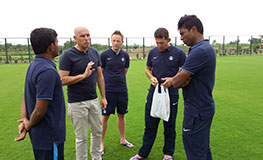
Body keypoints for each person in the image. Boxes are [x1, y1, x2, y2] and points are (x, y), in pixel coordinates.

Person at [162, 15, 216, 160]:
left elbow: (179, 82)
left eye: (182, 33)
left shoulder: (200, 51)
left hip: (196, 111)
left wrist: (177, 79)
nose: (180, 38)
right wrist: (179, 77)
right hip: (202, 107)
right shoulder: (202, 48)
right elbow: (180, 77)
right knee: (202, 150)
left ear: (193, 29)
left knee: (195, 152)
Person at [130, 28, 186, 160]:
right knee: (150, 124)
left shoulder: (179, 53)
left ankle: (168, 153)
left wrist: (173, 80)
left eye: (162, 42)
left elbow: (186, 71)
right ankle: (142, 153)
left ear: (169, 40)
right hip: (154, 93)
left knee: (169, 125)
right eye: (157, 43)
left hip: (171, 94)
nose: (159, 45)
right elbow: (147, 69)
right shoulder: (153, 52)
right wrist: (151, 77)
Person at [14, 28, 66, 160]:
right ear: (51, 46)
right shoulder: (47, 71)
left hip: (40, 137)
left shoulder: (33, 65)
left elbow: (26, 95)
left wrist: (25, 120)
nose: (58, 45)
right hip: (49, 138)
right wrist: (28, 124)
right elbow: (39, 111)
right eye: (57, 42)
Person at [59, 26, 107, 160]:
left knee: (97, 131)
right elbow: (62, 80)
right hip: (77, 102)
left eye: (88, 35)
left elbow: (99, 76)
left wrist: (103, 97)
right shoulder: (67, 55)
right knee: (81, 137)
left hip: (93, 100)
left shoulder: (94, 52)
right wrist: (83, 76)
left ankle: (97, 157)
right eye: (82, 36)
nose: (86, 38)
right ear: (75, 38)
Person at [99, 30, 133, 156]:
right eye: (113, 40)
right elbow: (100, 73)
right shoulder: (104, 55)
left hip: (122, 91)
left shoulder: (125, 55)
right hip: (108, 92)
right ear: (111, 41)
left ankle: (122, 139)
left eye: (118, 41)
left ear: (122, 42)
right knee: (105, 117)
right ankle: (101, 143)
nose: (116, 43)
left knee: (121, 115)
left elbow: (125, 71)